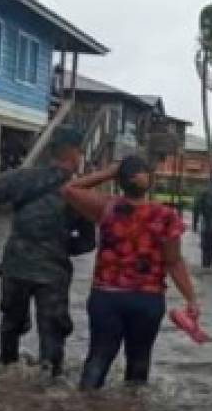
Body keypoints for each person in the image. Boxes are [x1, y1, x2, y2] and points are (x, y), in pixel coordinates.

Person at [0, 126, 109, 378]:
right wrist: (58, 247)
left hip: (15, 265)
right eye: (79, 152)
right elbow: (88, 242)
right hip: (53, 271)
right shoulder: (79, 192)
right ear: (72, 154)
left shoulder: (21, 178)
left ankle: (7, 369)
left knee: (11, 324)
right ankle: (50, 379)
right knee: (53, 329)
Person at [62, 156, 200, 390]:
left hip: (105, 297)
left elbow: (69, 188)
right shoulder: (165, 216)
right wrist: (191, 299)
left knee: (99, 357)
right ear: (148, 181)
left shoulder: (106, 207)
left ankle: (83, 410)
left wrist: (109, 172)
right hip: (146, 299)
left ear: (121, 180)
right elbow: (174, 262)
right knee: (139, 361)